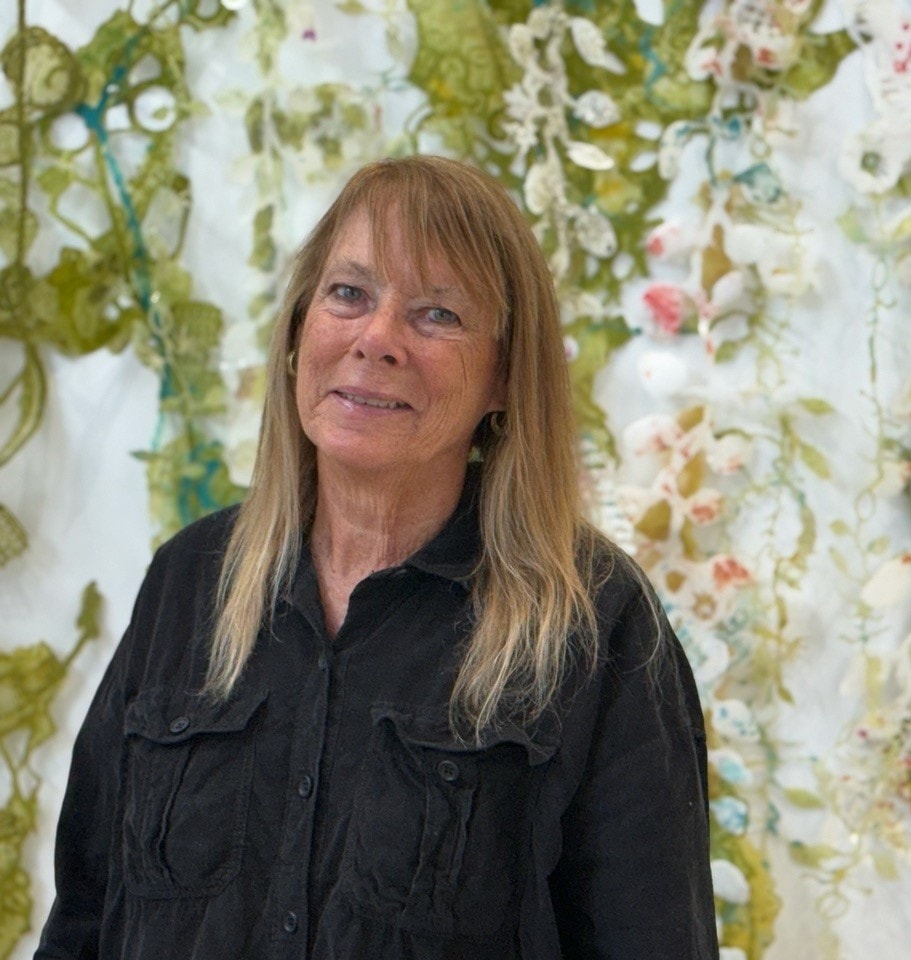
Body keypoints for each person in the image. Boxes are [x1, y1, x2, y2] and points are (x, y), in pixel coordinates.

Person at [36, 156, 718, 960]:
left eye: (437, 314)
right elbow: (85, 918)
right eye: (349, 294)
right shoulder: (190, 580)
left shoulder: (592, 620)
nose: (376, 340)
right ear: (299, 331)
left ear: (503, 376)